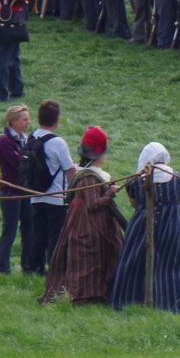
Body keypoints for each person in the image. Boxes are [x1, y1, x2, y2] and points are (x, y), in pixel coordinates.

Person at [40, 124, 122, 304]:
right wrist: (110, 192)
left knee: (87, 254)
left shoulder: (84, 173)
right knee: (89, 254)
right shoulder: (89, 177)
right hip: (88, 221)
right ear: (97, 155)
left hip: (78, 217)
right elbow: (93, 205)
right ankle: (85, 294)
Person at [110, 141, 180, 312]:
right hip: (171, 225)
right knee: (170, 263)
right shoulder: (178, 179)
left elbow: (134, 203)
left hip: (142, 225)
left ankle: (128, 301)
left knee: (134, 260)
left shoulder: (136, 181)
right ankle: (170, 304)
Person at [19, 99, 75, 276]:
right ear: (57, 120)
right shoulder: (58, 142)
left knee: (38, 234)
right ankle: (55, 271)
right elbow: (69, 170)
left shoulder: (32, 136)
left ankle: (35, 269)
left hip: (35, 194)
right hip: (56, 197)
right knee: (55, 236)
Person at [0, 104, 30, 273]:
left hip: (26, 190)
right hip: (10, 190)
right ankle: (2, 268)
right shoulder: (4, 141)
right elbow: (17, 164)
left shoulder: (26, 138)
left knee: (29, 228)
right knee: (10, 229)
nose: (27, 123)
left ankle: (28, 266)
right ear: (13, 121)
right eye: (24, 119)